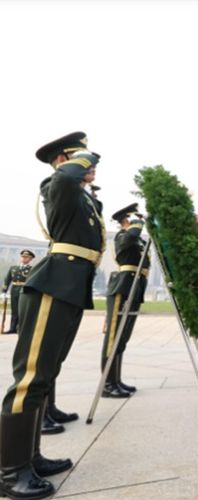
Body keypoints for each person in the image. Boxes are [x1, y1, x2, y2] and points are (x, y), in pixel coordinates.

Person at [1, 132, 104, 499]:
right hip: (53, 285)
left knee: (46, 374)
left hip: (69, 287)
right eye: (82, 159)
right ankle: (11, 472)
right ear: (65, 159)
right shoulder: (56, 184)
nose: (90, 167)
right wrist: (89, 156)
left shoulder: (80, 196)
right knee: (30, 378)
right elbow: (63, 177)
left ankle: (31, 457)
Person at [101, 203, 150, 399]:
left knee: (122, 338)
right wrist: (139, 221)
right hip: (122, 287)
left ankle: (116, 380)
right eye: (133, 218)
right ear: (126, 221)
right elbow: (132, 235)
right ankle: (107, 384)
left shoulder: (135, 240)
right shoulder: (123, 236)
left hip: (134, 286)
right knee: (113, 337)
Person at [2, 249, 35, 334]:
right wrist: (4, 291)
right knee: (14, 310)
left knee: (22, 310)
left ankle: (20, 328)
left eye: (26, 257)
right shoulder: (13, 268)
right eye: (23, 257)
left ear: (30, 259)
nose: (24, 259)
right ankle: (12, 328)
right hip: (14, 290)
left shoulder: (31, 269)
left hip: (24, 291)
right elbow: (7, 280)